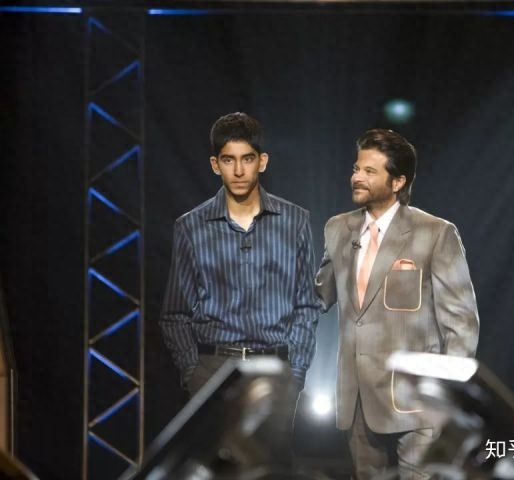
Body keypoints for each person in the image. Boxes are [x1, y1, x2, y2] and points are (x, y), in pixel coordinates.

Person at [314, 128, 480, 479]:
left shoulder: (435, 232)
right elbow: (317, 296)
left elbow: (461, 322)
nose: (357, 177)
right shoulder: (338, 229)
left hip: (417, 402)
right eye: (356, 168)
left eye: (369, 171)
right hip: (356, 398)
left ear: (398, 181)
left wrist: (446, 398)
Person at [160, 111, 319, 410]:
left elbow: (306, 305)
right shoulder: (191, 226)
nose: (238, 171)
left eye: (247, 159)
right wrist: (192, 373)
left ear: (262, 161)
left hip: (275, 369)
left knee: (271, 447)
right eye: (228, 160)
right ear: (215, 165)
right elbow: (175, 313)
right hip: (212, 371)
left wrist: (296, 373)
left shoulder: (295, 221)